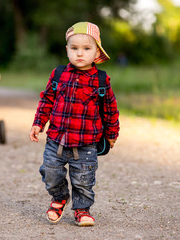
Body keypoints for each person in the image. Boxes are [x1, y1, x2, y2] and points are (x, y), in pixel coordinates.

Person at [29, 22, 120, 226]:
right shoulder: (59, 74)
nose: (80, 53)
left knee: (84, 179)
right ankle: (59, 197)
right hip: (56, 140)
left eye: (86, 49)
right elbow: (46, 100)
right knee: (50, 172)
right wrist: (38, 123)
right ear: (67, 50)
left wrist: (112, 134)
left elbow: (110, 109)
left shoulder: (101, 80)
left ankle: (82, 209)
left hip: (86, 143)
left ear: (97, 51)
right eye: (74, 48)